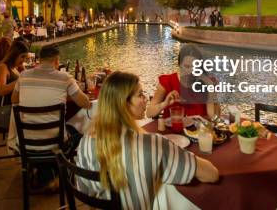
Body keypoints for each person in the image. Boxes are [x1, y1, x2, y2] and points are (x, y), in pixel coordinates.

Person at [76, 71, 219, 208]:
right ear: (123, 103)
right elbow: (211, 175)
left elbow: (83, 188)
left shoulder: (85, 142)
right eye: (140, 94)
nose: (145, 98)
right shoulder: (152, 145)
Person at [9, 45, 91, 187]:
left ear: (39, 60)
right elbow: (85, 103)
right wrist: (69, 90)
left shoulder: (23, 76)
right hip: (54, 143)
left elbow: (14, 100)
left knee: (53, 133)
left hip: (26, 143)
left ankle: (45, 172)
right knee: (77, 133)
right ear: (56, 61)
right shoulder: (65, 78)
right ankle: (56, 173)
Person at [147, 44, 219, 119]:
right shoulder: (168, 82)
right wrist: (164, 104)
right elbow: (149, 113)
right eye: (187, 66)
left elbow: (214, 117)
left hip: (199, 129)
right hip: (172, 130)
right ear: (179, 64)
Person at [0, 41, 28, 128]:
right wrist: (20, 80)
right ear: (14, 54)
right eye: (22, 57)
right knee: (34, 116)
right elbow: (1, 90)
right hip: (3, 111)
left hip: (13, 109)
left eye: (25, 57)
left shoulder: (14, 68)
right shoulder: (3, 67)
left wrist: (25, 72)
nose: (24, 60)